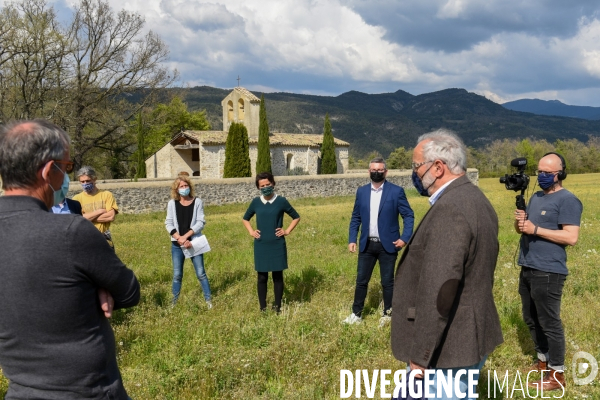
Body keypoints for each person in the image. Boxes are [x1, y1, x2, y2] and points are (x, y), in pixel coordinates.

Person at [0, 119, 140, 399]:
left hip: (20, 389)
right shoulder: (71, 231)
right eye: (67, 168)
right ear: (49, 170)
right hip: (88, 390)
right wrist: (98, 285)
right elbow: (129, 291)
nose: (68, 177)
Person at [391, 129, 503, 400]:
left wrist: (421, 355)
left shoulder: (450, 209)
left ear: (438, 167)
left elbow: (440, 288)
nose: (415, 173)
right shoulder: (477, 199)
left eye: (416, 166)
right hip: (466, 337)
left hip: (449, 348)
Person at [514, 152, 582, 391]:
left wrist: (534, 229)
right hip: (528, 265)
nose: (542, 176)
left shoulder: (568, 200)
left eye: (547, 173)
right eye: (539, 172)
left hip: (549, 270)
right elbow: (525, 229)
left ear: (560, 174)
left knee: (549, 322)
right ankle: (542, 362)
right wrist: (521, 223)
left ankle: (557, 374)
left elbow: (571, 237)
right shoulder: (535, 197)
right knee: (531, 318)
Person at [345, 157, 414, 326]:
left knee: (387, 282)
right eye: (374, 170)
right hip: (367, 244)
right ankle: (356, 314)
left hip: (389, 245)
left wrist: (404, 238)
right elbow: (355, 217)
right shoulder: (361, 192)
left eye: (380, 170)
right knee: (361, 281)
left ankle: (388, 314)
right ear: (369, 171)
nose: (377, 172)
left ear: (386, 172)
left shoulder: (396, 192)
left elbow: (408, 215)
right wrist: (352, 239)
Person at [242, 172, 300, 313]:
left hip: (277, 243)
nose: (266, 187)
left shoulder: (281, 201)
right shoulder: (256, 202)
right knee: (262, 277)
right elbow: (245, 218)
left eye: (268, 184)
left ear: (273, 184)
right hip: (261, 244)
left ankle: (277, 307)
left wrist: (287, 231)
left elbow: (296, 217)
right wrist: (251, 231)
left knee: (277, 276)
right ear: (258, 187)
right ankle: (262, 308)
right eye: (262, 186)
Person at [165, 175, 213, 308]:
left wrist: (186, 237)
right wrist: (179, 238)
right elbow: (168, 223)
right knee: (177, 275)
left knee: (201, 273)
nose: (184, 188)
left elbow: (200, 222)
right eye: (181, 186)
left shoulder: (197, 202)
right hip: (177, 244)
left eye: (186, 186)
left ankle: (209, 301)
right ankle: (173, 303)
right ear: (176, 189)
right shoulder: (171, 204)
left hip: (194, 243)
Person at [73, 165, 118, 245]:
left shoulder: (106, 195)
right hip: (84, 237)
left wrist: (86, 217)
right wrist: (99, 211)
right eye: (82, 182)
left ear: (94, 179)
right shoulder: (77, 199)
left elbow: (110, 216)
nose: (85, 183)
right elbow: (77, 220)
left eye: (88, 181)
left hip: (104, 236)